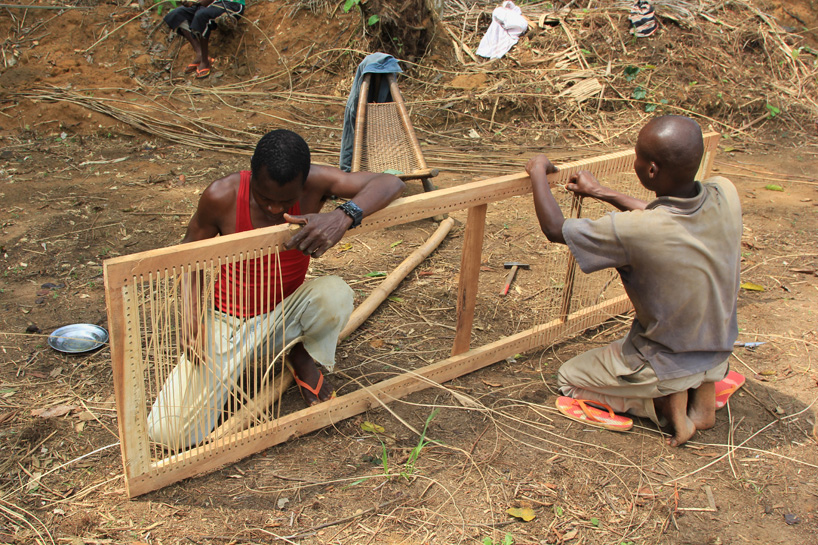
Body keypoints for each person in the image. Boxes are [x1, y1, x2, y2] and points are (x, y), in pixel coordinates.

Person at [147, 129, 405, 449]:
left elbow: (392, 182)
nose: (273, 209)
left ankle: (299, 350)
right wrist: (190, 319)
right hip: (227, 323)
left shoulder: (317, 182)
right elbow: (188, 259)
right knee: (167, 433)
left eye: (285, 201)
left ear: (304, 181)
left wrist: (342, 217)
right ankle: (248, 358)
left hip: (285, 314)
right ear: (252, 173)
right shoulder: (221, 195)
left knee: (334, 294)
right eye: (264, 198)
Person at [526, 116, 742, 447]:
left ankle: (668, 407)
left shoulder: (637, 231)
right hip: (718, 348)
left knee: (569, 378)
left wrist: (538, 170)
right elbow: (664, 218)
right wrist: (600, 191)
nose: (636, 161)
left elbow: (556, 229)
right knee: (695, 349)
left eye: (638, 156)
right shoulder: (724, 192)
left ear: (652, 170)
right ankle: (703, 397)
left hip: (667, 360)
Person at [163, 0, 245, 79]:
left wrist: (195, 3)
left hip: (232, 4)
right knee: (176, 14)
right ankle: (200, 54)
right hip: (212, 3)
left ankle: (205, 61)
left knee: (201, 15)